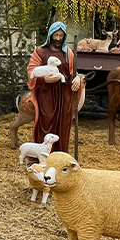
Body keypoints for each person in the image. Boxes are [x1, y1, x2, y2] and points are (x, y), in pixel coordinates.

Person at [26, 21, 85, 154]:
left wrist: (77, 78)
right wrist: (44, 79)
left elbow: (73, 72)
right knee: (45, 124)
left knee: (63, 127)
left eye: (61, 35)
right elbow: (31, 71)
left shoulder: (68, 53)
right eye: (55, 35)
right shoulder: (40, 52)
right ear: (50, 35)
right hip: (46, 96)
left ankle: (61, 156)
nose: (58, 38)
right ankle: (41, 157)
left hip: (64, 96)